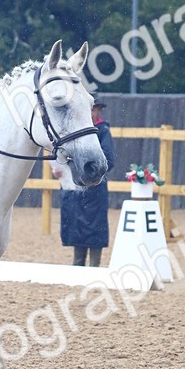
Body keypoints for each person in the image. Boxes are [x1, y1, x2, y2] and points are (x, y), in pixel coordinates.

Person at [53, 100, 115, 267]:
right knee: (76, 227)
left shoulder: (102, 131)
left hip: (95, 188)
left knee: (95, 228)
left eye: (95, 110)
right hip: (76, 186)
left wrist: (87, 170)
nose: (93, 114)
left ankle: (95, 266)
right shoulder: (76, 132)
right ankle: (77, 265)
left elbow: (108, 159)